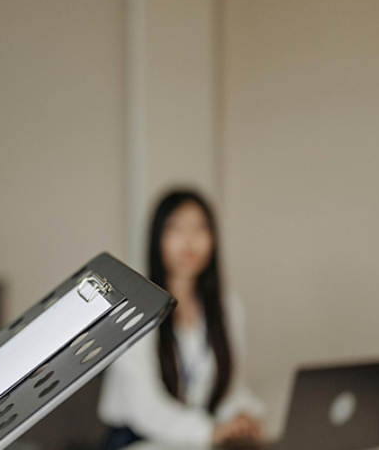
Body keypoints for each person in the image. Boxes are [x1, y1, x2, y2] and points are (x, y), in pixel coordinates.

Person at [97, 190, 264, 449]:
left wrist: (241, 415)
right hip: (139, 440)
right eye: (176, 228)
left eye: (200, 228)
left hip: (198, 438)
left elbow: (230, 387)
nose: (190, 240)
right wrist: (212, 430)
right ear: (157, 238)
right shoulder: (130, 308)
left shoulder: (227, 307)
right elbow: (145, 408)